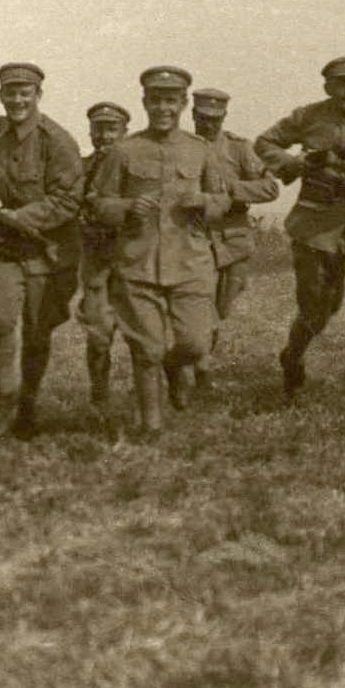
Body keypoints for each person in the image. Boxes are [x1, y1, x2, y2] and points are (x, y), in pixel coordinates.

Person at [253, 57, 345, 414]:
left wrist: (341, 165)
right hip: (316, 228)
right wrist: (296, 164)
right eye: (342, 83)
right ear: (328, 87)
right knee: (317, 311)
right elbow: (264, 143)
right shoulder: (308, 116)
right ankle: (293, 356)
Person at [89, 66, 229, 438]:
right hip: (138, 262)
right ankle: (150, 422)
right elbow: (99, 202)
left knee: (195, 343)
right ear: (145, 102)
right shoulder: (124, 151)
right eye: (156, 100)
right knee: (146, 348)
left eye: (171, 100)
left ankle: (175, 366)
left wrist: (203, 201)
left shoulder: (200, 150)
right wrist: (126, 207)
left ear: (182, 104)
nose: (163, 108)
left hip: (190, 262)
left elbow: (222, 201)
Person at [0, 62, 83, 437]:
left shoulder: (58, 141)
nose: (17, 100)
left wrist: (19, 216)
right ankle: (5, 397)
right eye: (10, 93)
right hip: (6, 246)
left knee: (37, 331)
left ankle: (28, 402)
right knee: (0, 321)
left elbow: (67, 201)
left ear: (38, 95)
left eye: (25, 93)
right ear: (1, 95)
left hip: (48, 250)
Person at [189, 87, 279, 393]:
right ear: (193, 115)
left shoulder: (239, 148)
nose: (209, 124)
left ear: (224, 116)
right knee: (201, 308)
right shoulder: (183, 147)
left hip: (233, 242)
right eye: (203, 117)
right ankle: (200, 373)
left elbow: (270, 188)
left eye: (215, 118)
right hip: (195, 238)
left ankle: (197, 362)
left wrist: (232, 190)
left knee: (221, 309)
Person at [76, 101, 131, 409]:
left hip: (134, 259)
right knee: (98, 333)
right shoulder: (80, 168)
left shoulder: (137, 168)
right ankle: (99, 396)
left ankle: (148, 399)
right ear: (90, 132)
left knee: (144, 333)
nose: (105, 136)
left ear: (125, 132)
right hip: (96, 259)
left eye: (112, 129)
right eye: (99, 129)